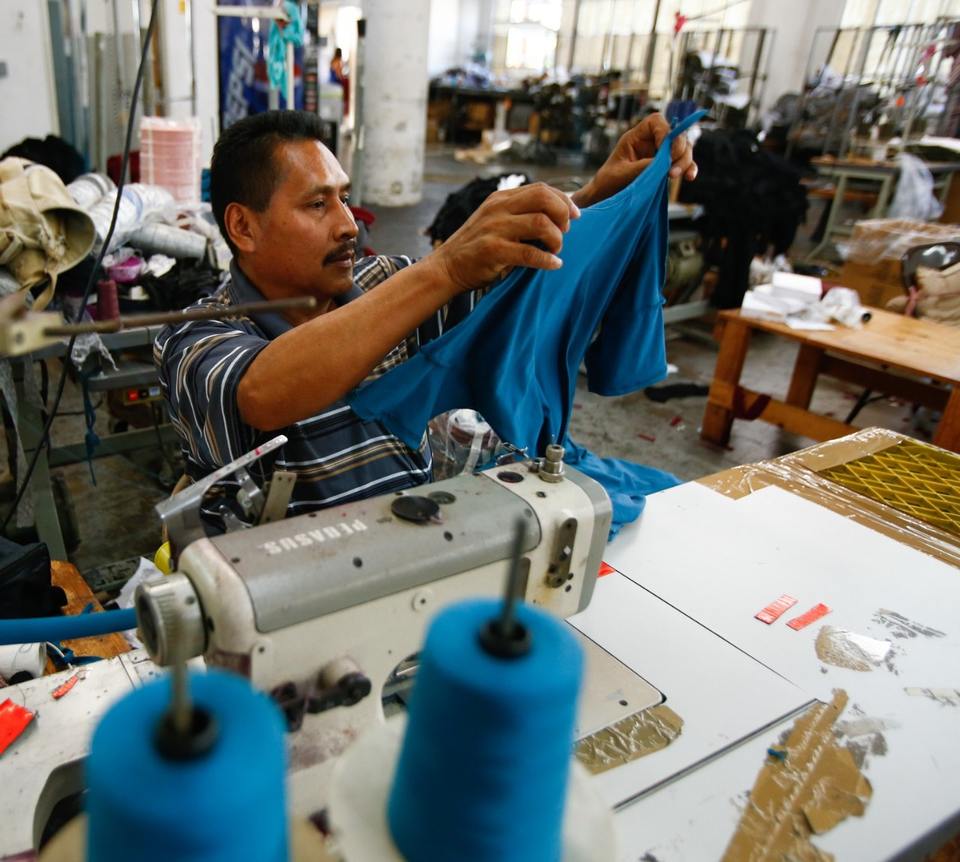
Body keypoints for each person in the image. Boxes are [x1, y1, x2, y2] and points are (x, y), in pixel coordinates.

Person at [155, 109, 695, 525]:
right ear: (243, 227)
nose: (348, 225)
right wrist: (446, 267)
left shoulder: (386, 281)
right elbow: (264, 393)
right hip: (292, 590)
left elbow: (518, 285)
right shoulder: (195, 337)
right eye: (317, 205)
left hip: (416, 543)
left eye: (344, 198)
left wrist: (599, 196)